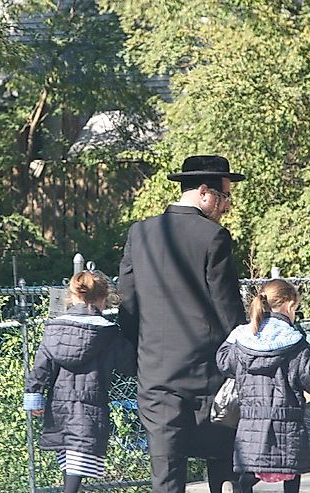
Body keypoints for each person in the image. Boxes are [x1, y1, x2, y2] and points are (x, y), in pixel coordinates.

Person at [117, 155, 248, 493]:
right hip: (207, 373)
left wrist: (138, 358)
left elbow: (127, 303)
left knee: (166, 468)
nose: (227, 207)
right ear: (205, 192)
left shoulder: (140, 233)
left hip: (156, 373)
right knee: (222, 459)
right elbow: (227, 308)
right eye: (225, 197)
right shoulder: (213, 236)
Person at [216, 279, 310, 493]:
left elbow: (224, 361)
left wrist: (234, 337)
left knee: (252, 469)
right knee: (290, 471)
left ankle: (238, 488)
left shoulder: (243, 338)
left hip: (250, 422)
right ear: (289, 306)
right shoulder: (294, 342)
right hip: (287, 422)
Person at [24, 270, 136, 493]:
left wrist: (34, 395)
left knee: (69, 459)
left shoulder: (54, 329)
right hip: (90, 403)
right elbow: (129, 365)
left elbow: (41, 366)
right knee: (79, 461)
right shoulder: (109, 333)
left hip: (59, 405)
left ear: (72, 296)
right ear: (103, 299)